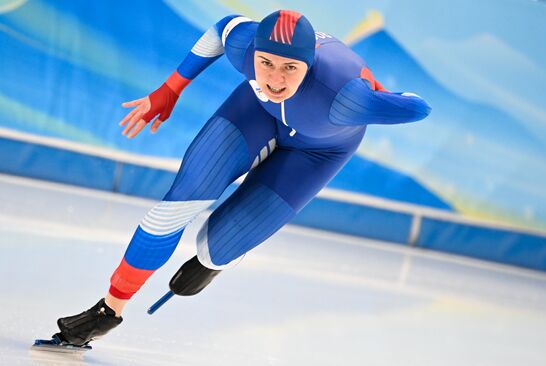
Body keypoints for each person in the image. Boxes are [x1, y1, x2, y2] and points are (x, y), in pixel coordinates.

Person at [53, 10, 431, 347]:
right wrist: (169, 90)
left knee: (216, 247)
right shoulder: (243, 46)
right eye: (266, 63)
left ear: (310, 65)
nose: (275, 79)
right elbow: (220, 31)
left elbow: (418, 106)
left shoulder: (347, 99)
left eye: (290, 68)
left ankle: (214, 262)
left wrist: (378, 92)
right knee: (180, 201)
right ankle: (107, 312)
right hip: (255, 113)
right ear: (254, 54)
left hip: (319, 151)